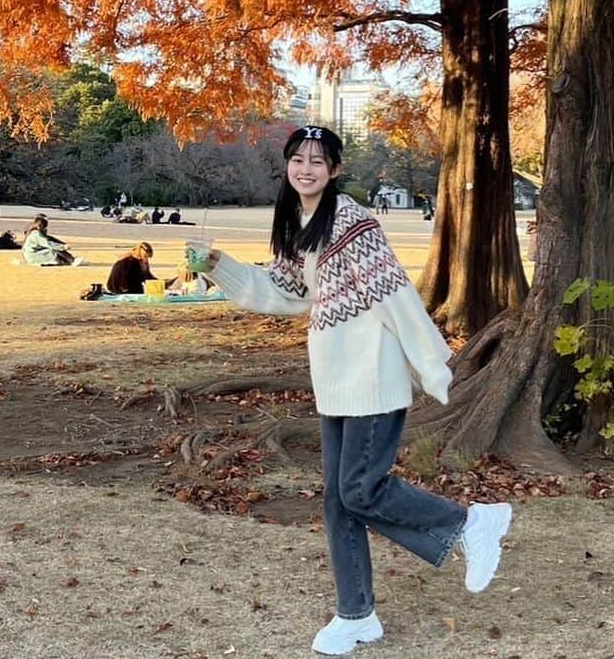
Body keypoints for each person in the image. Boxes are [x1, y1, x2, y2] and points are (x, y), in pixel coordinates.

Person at [192, 125, 513, 656]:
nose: (307, 169)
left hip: (374, 375)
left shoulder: (352, 221)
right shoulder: (298, 222)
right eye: (299, 159)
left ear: (335, 170)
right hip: (335, 377)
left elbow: (396, 296)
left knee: (360, 491)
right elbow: (288, 292)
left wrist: (433, 364)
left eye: (319, 161)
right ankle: (357, 614)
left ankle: (472, 521)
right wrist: (219, 266)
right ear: (288, 166)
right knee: (339, 503)